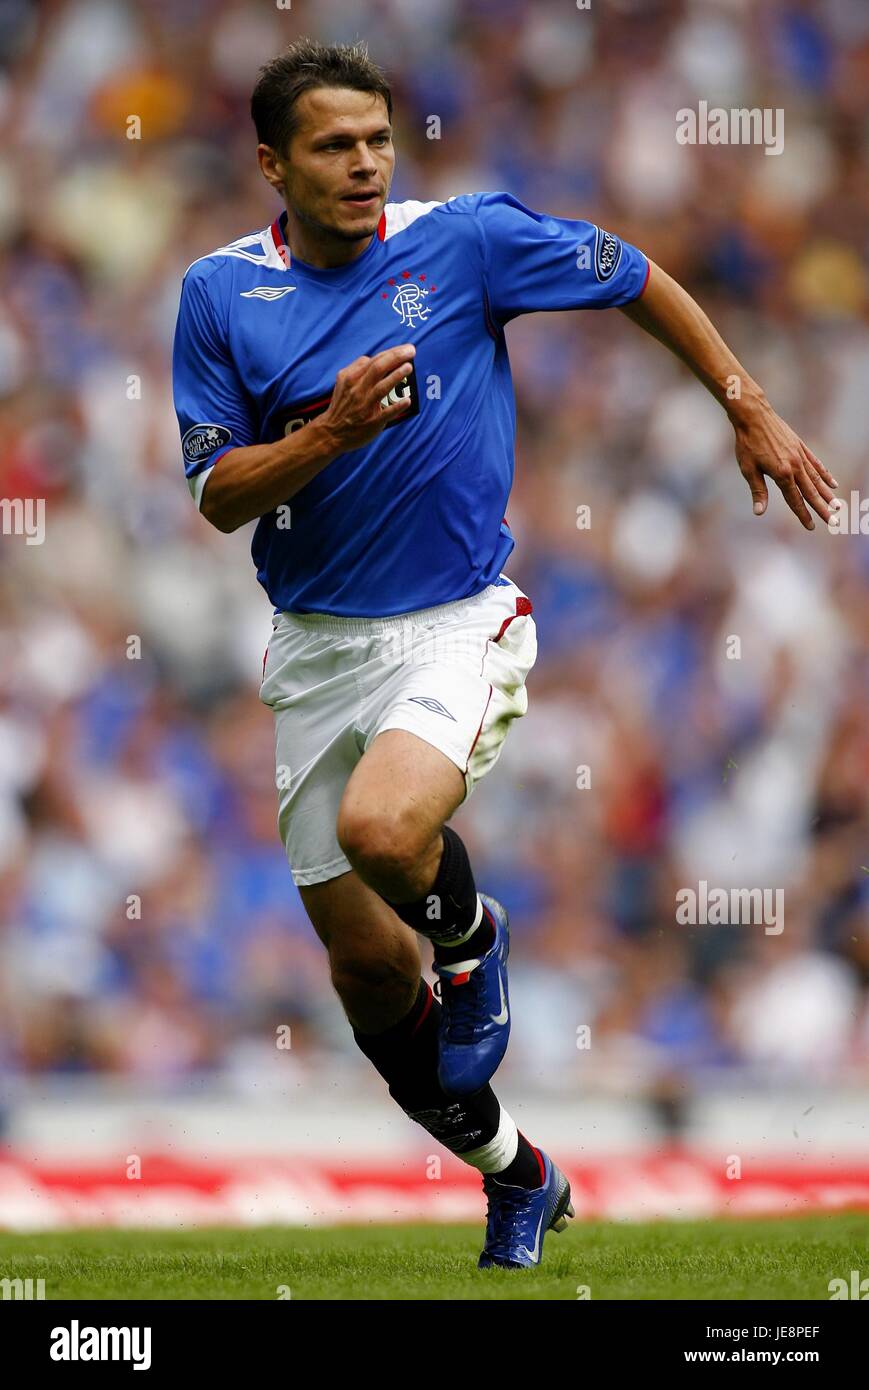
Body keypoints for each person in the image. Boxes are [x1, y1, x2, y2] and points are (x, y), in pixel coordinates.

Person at [172, 38, 838, 1269]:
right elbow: (217, 493)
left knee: (385, 832)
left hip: (455, 620)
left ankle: (474, 942)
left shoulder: (464, 239)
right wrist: (328, 431)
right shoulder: (218, 295)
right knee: (371, 981)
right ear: (272, 163)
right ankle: (516, 1173)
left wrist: (740, 399)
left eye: (376, 138)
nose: (365, 162)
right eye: (333, 145)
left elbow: (631, 271)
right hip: (314, 649)